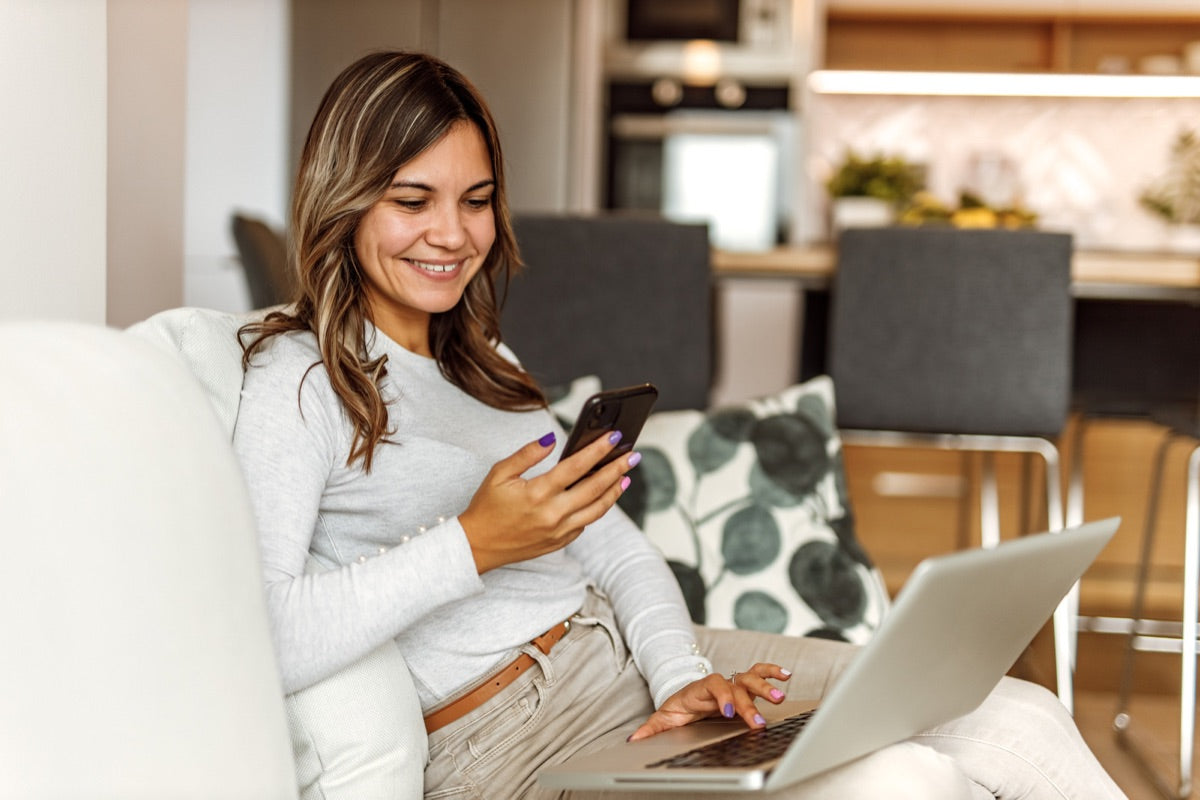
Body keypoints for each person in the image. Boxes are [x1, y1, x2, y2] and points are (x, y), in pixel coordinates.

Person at [233, 49, 1126, 800]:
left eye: (475, 199)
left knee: (1015, 713)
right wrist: (475, 543)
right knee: (908, 778)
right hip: (510, 737)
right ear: (345, 201)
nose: (453, 233)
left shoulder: (488, 368)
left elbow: (617, 552)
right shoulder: (299, 379)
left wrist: (681, 678)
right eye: (411, 199)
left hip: (632, 667)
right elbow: (264, 634)